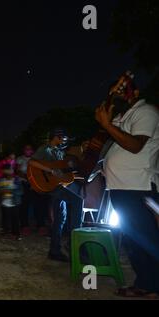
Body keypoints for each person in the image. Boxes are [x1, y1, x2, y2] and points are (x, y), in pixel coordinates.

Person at [95, 81, 159, 298]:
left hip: (138, 186)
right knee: (134, 241)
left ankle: (153, 285)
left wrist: (108, 125)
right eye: (116, 89)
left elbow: (135, 145)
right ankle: (146, 284)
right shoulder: (123, 117)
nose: (119, 92)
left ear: (137, 92)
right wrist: (109, 100)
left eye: (124, 88)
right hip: (120, 187)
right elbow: (102, 125)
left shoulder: (146, 111)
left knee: (148, 239)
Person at [29, 128, 84, 262]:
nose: (64, 140)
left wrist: (69, 168)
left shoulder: (60, 152)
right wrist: (51, 171)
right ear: (57, 137)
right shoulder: (46, 149)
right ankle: (75, 242)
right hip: (53, 187)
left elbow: (61, 170)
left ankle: (54, 251)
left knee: (60, 219)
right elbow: (32, 162)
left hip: (57, 186)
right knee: (78, 200)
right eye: (63, 138)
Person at [16, 145, 49, 236]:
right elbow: (18, 171)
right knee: (24, 205)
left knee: (39, 204)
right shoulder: (20, 159)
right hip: (24, 184)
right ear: (23, 150)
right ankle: (24, 226)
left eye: (30, 149)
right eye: (26, 149)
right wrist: (27, 178)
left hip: (36, 185)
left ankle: (41, 225)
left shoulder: (37, 159)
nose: (28, 150)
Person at [0, 153, 16, 233]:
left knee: (7, 208)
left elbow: (12, 175)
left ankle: (7, 226)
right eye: (10, 158)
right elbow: (2, 173)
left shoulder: (12, 164)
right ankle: (0, 226)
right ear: (6, 157)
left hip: (6, 189)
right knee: (0, 208)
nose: (12, 160)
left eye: (13, 158)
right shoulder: (2, 164)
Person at [0, 164, 23, 240]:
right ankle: (7, 233)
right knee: (6, 219)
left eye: (9, 170)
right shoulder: (1, 180)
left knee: (15, 219)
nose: (7, 173)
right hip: (5, 203)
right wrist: (0, 190)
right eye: (5, 171)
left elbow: (21, 191)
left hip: (15, 203)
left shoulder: (16, 179)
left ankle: (16, 234)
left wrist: (10, 191)